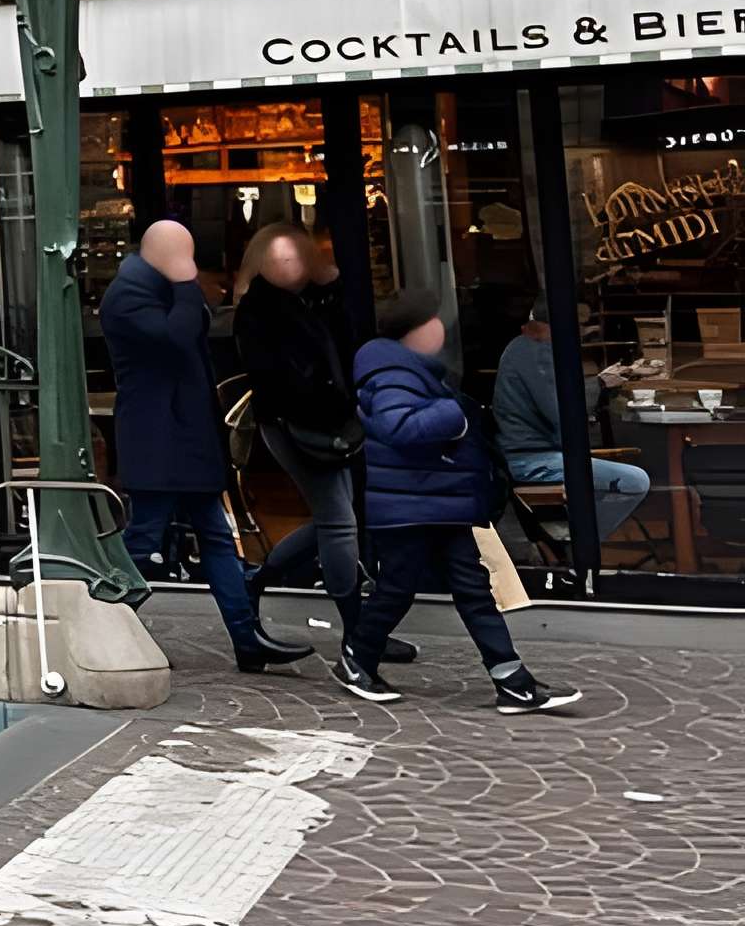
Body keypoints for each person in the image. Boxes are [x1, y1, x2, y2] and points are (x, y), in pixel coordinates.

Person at [339, 290, 580, 712]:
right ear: (415, 329)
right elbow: (398, 427)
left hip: (436, 500)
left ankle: (511, 680)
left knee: (473, 589)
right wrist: (457, 417)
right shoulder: (392, 371)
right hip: (409, 506)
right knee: (398, 588)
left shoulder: (410, 369)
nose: (441, 329)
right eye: (433, 320)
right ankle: (357, 658)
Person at [103, 218, 306, 674]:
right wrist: (184, 285)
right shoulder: (128, 296)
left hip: (186, 434)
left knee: (215, 537)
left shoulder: (157, 291)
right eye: (182, 255)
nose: (190, 265)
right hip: (157, 437)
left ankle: (247, 639)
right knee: (143, 538)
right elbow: (176, 338)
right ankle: (101, 626)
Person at [232, 224, 412, 662]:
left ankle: (255, 580)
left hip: (332, 420)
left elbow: (348, 344)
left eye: (295, 257)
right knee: (339, 521)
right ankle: (357, 631)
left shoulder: (320, 298)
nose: (288, 266)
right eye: (279, 259)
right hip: (298, 425)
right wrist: (324, 402)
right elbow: (275, 377)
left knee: (335, 519)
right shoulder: (259, 310)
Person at [489, 300, 656, 550]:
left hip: (534, 455)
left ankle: (573, 545)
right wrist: (599, 384)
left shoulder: (526, 348)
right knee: (635, 480)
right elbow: (561, 411)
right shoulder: (535, 352)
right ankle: (577, 549)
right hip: (532, 460)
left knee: (626, 477)